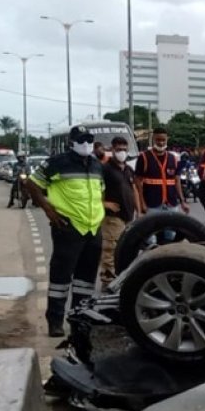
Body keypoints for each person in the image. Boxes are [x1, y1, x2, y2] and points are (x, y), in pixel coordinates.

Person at [27, 124, 106, 337]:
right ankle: (55, 322)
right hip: (68, 227)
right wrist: (48, 210)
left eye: (89, 140)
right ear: (71, 143)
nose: (86, 144)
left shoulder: (97, 165)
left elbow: (100, 193)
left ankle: (80, 320)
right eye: (81, 140)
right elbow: (32, 184)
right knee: (60, 279)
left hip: (92, 229)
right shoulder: (58, 163)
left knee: (86, 281)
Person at [99, 135, 141, 284]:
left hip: (128, 215)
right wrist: (104, 204)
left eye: (124, 149)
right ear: (112, 149)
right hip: (113, 217)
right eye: (118, 149)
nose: (122, 152)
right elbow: (94, 190)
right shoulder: (105, 169)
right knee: (110, 249)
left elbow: (134, 189)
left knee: (126, 248)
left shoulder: (128, 169)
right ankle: (107, 280)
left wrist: (139, 210)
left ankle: (122, 278)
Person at [133, 127, 190, 216]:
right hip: (152, 205)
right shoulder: (144, 157)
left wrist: (182, 201)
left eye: (163, 140)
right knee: (153, 226)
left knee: (173, 225)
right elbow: (137, 182)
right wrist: (142, 203)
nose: (161, 143)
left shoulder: (173, 158)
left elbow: (176, 181)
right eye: (158, 140)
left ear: (167, 139)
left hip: (171, 204)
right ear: (153, 139)